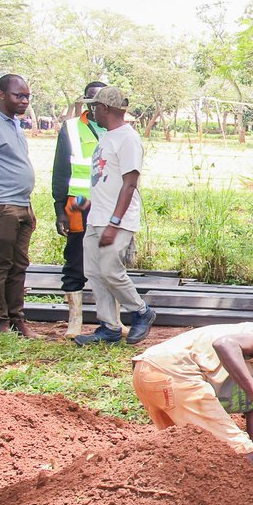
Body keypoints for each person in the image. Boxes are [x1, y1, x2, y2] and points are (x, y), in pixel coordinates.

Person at [132, 323, 253, 483]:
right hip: (176, 371)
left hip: (148, 375)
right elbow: (224, 344)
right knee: (242, 457)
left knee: (183, 455)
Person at [74, 87, 157, 346]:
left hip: (115, 221)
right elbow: (107, 178)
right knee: (95, 273)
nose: (92, 111)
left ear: (106, 108)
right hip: (97, 216)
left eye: (95, 106)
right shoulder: (107, 137)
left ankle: (142, 311)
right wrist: (89, 203)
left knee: (111, 271)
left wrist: (115, 222)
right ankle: (109, 326)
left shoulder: (127, 139)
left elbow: (130, 184)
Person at [52, 81, 107, 338]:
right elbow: (61, 171)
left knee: (109, 262)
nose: (96, 107)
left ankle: (111, 320)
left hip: (108, 206)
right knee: (75, 259)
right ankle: (75, 320)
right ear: (85, 102)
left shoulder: (118, 129)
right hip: (78, 205)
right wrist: (59, 209)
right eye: (92, 102)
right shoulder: (71, 129)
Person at [0, 74, 36, 336]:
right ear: (1, 94)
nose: (24, 100)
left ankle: (16, 318)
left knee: (20, 265)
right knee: (1, 265)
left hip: (23, 205)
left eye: (27, 96)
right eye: (18, 95)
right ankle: (0, 321)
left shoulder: (15, 125)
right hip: (3, 205)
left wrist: (29, 205)